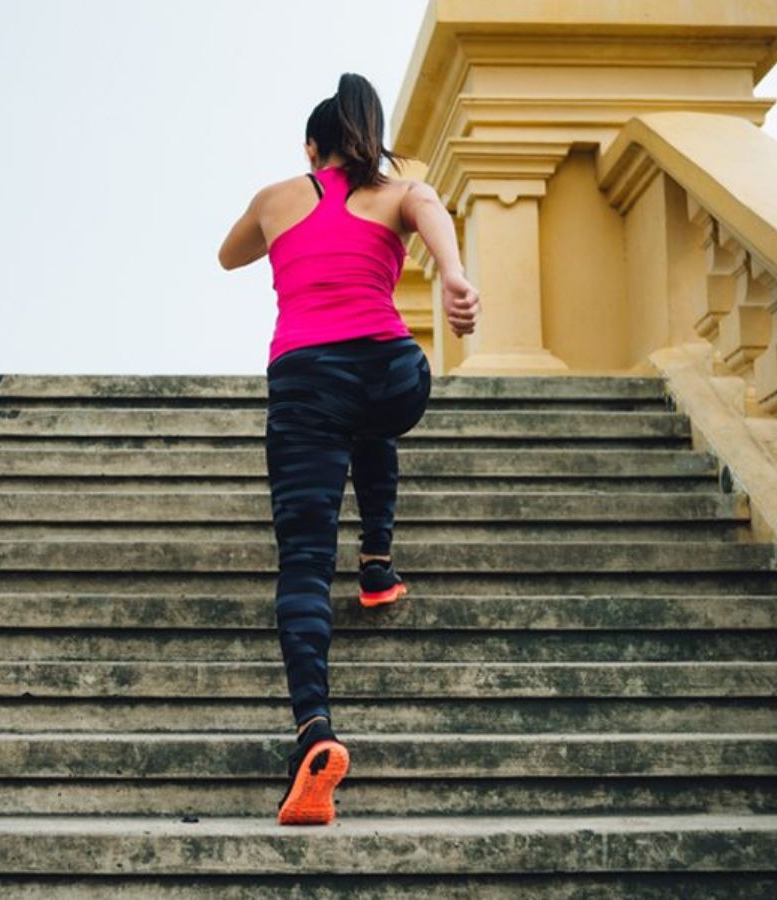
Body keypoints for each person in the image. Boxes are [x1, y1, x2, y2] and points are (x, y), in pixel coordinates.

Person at [217, 72, 481, 826]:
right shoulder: (399, 190)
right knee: (372, 420)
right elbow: (430, 207)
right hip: (393, 372)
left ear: (312, 146)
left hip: (305, 381)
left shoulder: (276, 197)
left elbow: (228, 256)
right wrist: (455, 278)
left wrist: (285, 210)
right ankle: (375, 563)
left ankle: (313, 736)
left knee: (302, 560)